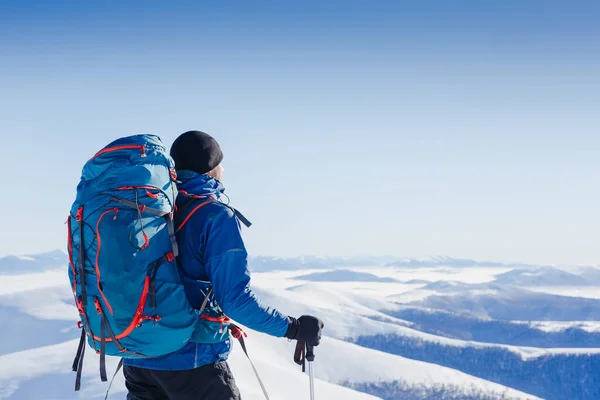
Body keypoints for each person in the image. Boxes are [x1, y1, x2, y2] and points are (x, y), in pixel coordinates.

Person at [122, 130, 324, 400]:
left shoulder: (149, 212)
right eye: (221, 163)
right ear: (211, 169)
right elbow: (236, 300)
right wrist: (293, 328)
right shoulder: (215, 216)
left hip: (138, 362)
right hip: (191, 365)